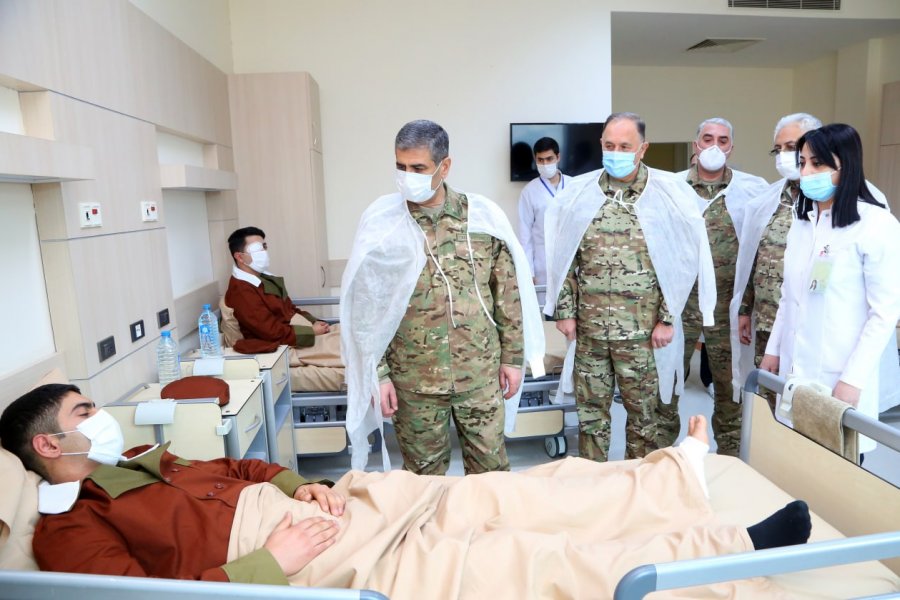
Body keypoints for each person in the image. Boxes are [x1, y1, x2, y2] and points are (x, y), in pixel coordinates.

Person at [1, 384, 812, 597]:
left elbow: (239, 470)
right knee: (511, 560)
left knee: (506, 493)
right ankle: (726, 552)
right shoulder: (66, 531)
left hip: (327, 507)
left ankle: (672, 474)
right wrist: (273, 560)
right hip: (294, 561)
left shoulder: (137, 459)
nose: (101, 417)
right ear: (47, 447)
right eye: (84, 413)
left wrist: (297, 484)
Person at [340, 120, 545, 474]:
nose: (407, 177)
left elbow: (508, 296)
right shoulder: (383, 223)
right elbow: (366, 308)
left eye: (418, 168)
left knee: (491, 476)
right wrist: (379, 374)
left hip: (479, 375)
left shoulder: (482, 218)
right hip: (413, 382)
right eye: (401, 167)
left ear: (444, 166)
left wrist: (513, 359)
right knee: (423, 482)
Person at [543, 112, 716, 462]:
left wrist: (667, 318)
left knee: (644, 420)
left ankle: (640, 481)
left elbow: (682, 261)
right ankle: (594, 483)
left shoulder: (666, 195)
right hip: (590, 333)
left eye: (625, 146)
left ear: (643, 148)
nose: (616, 153)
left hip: (643, 335)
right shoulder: (580, 194)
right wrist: (565, 312)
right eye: (609, 145)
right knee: (591, 418)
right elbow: (563, 257)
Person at [760, 123, 900, 455]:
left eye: (818, 163)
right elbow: (789, 297)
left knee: (838, 465)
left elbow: (884, 314)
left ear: (846, 165)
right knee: (796, 457)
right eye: (803, 162)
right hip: (795, 368)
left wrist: (853, 379)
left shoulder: (876, 225)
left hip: (840, 373)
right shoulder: (803, 223)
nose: (806, 172)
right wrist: (773, 349)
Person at [670, 117, 769, 457]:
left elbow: (760, 248)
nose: (714, 146)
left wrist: (748, 306)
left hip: (729, 307)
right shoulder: (671, 187)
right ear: (695, 145)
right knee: (665, 386)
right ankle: (663, 462)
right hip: (679, 306)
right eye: (707, 138)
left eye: (722, 140)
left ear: (731, 148)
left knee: (731, 391)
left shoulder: (751, 190)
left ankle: (731, 462)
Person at [732, 113, 822, 409]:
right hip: (768, 323)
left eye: (792, 147)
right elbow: (752, 258)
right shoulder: (770, 200)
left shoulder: (831, 200)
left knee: (806, 408)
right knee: (770, 405)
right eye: (778, 149)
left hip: (812, 328)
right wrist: (745, 310)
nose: (784, 155)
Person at [224, 227, 344, 392]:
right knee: (347, 346)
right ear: (240, 257)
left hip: (294, 333)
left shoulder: (263, 279)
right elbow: (270, 332)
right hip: (282, 345)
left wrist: (315, 322)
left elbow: (290, 309)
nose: (264, 252)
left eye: (264, 246)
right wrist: (311, 332)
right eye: (258, 249)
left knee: (349, 331)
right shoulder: (241, 291)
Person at [516, 136, 571, 285]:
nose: (545, 164)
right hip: (542, 263)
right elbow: (524, 235)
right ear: (535, 159)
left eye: (549, 159)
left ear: (558, 157)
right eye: (540, 160)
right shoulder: (529, 191)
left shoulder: (574, 186)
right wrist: (528, 271)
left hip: (570, 260)